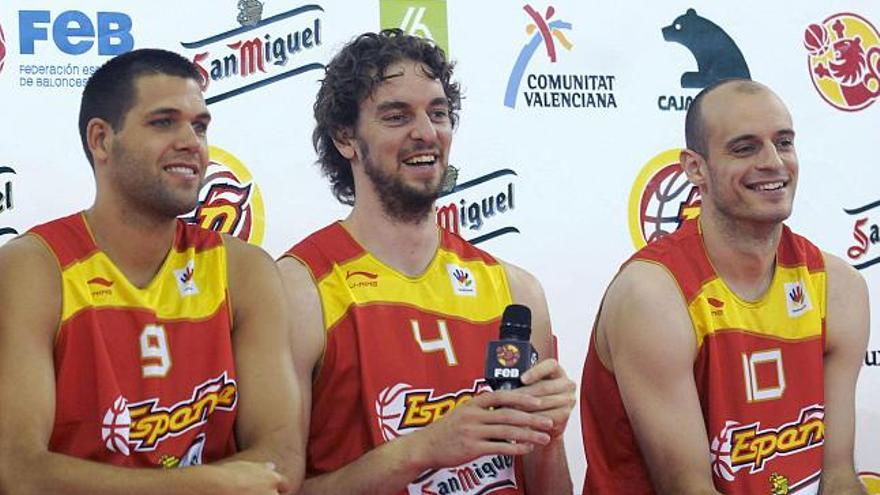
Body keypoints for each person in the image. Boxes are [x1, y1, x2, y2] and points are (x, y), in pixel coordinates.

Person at [277, 29, 576, 495]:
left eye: (438, 113)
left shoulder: (516, 291)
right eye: (397, 116)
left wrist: (551, 439)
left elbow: (544, 485)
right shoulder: (300, 288)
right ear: (345, 138)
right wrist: (426, 448)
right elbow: (278, 489)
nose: (426, 132)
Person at [0, 49, 304, 495]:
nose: (191, 142)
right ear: (102, 140)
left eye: (199, 126)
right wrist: (204, 485)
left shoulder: (244, 270)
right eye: (164, 122)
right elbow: (19, 472)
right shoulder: (34, 266)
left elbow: (282, 458)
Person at [580, 79, 868, 494]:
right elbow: (687, 488)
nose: (774, 162)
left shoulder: (838, 286)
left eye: (783, 143)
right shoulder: (653, 295)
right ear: (695, 168)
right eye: (745, 148)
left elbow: (838, 475)